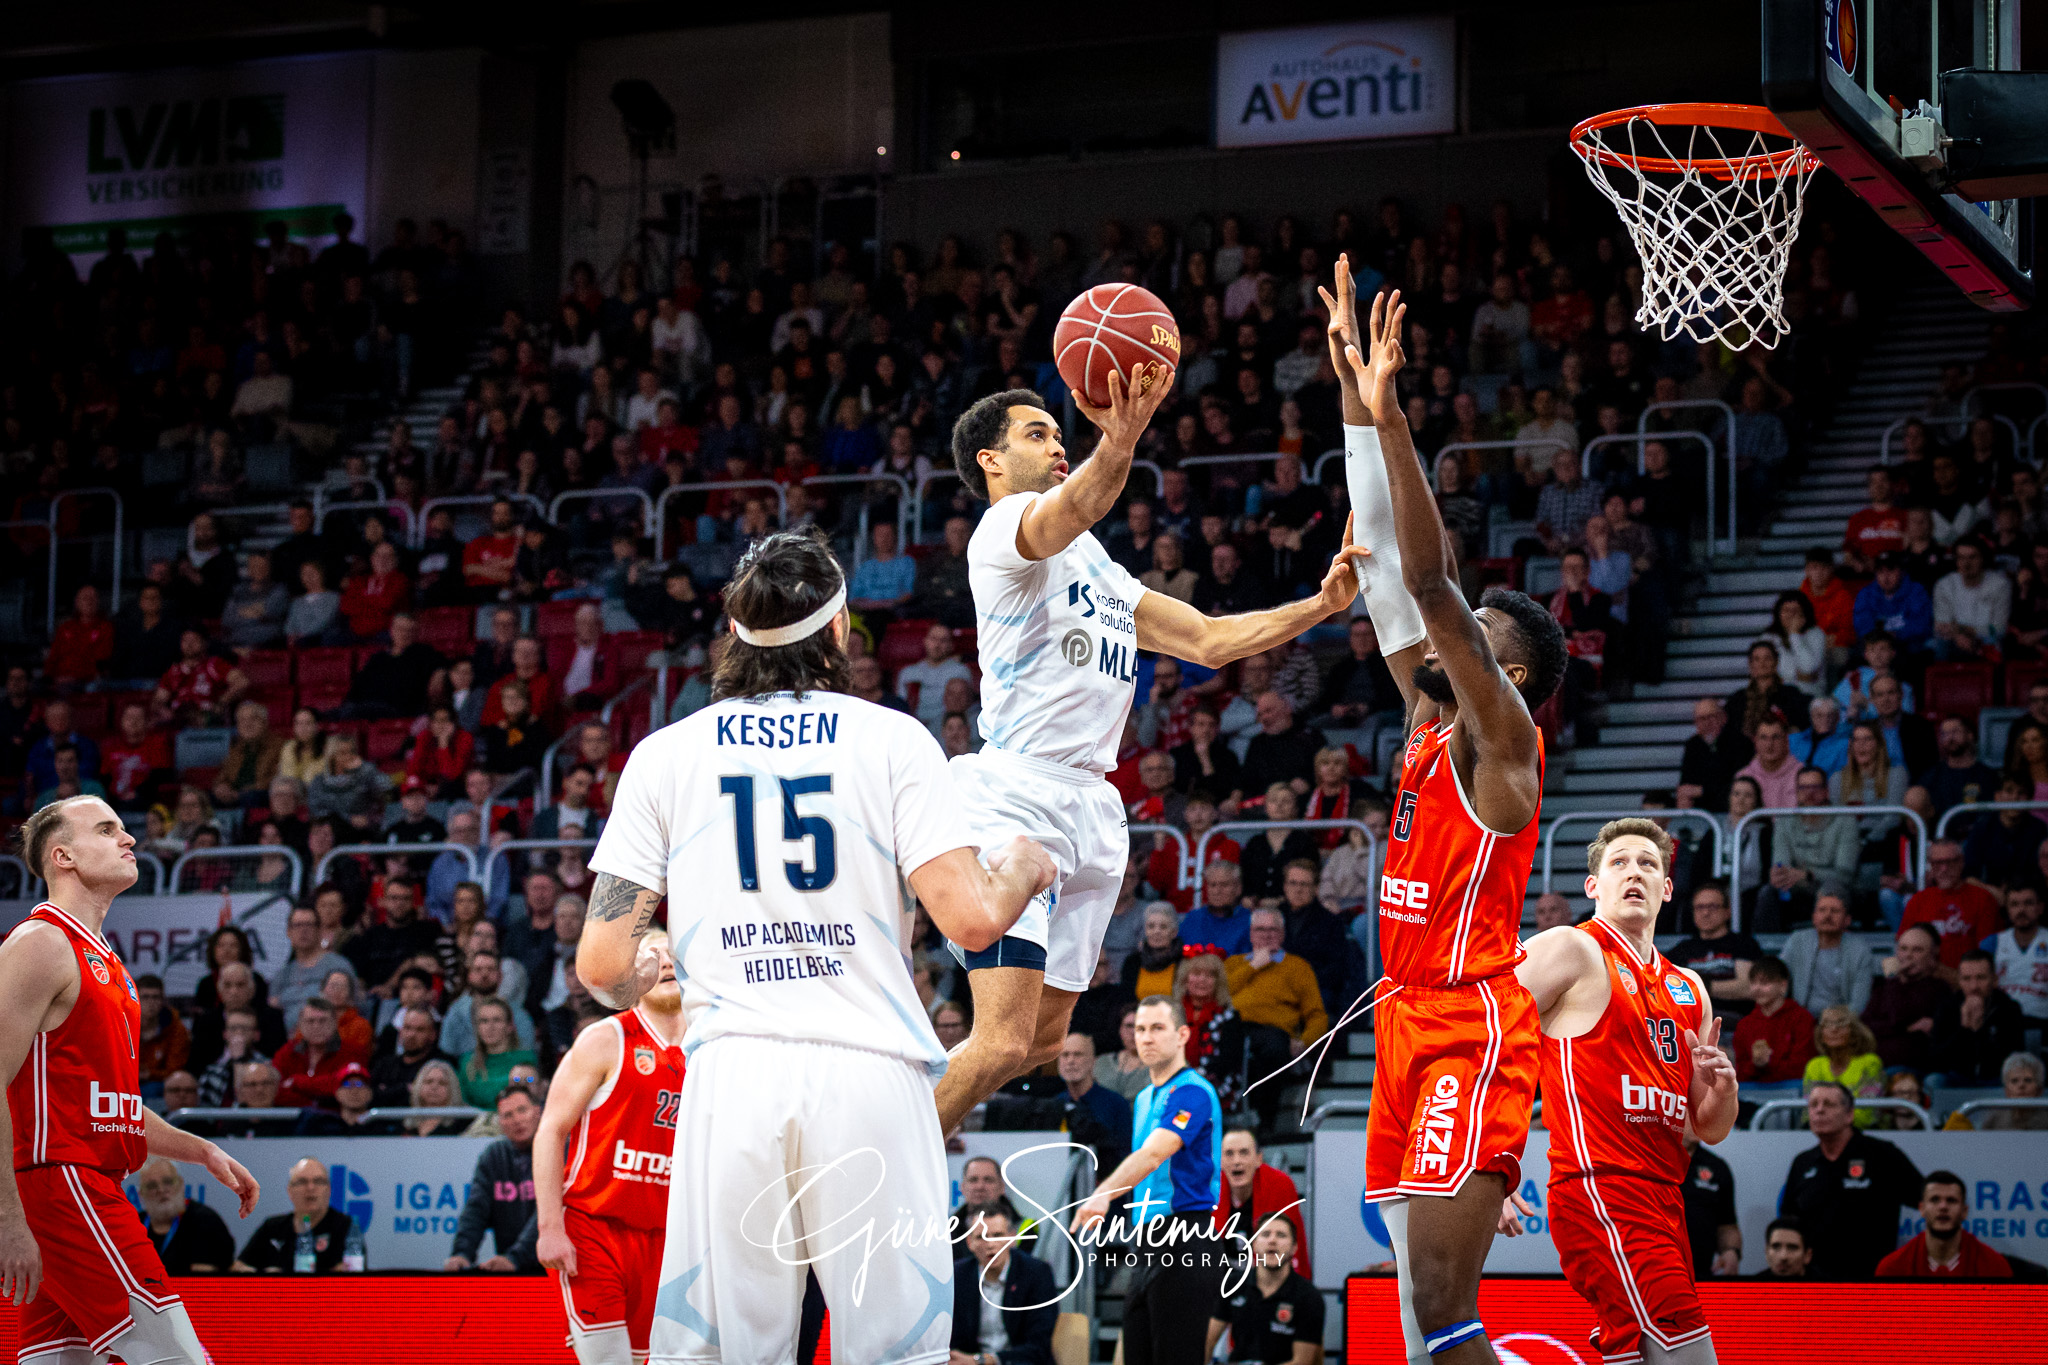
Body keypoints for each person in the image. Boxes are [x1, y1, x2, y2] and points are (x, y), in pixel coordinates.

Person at [576, 529, 1056, 1364]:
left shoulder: (664, 756)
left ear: (731, 628)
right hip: (868, 1075)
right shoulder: (892, 739)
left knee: (730, 1353)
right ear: (840, 632)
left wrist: (653, 963)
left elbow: (603, 966)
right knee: (893, 1348)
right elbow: (974, 922)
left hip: (732, 1078)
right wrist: (1023, 865)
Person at [933, 370, 1371, 1142]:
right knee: (999, 1037)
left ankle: (904, 1102)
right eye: (1037, 434)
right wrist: (1122, 437)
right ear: (992, 461)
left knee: (1039, 1044)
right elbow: (1081, 501)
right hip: (1016, 796)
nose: (1056, 442)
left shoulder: (1095, 562)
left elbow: (1205, 637)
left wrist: (1319, 606)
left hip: (1095, 807)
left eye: (1057, 433)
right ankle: (874, 1168)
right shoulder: (1002, 532)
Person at [1320, 273, 1568, 1365]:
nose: (1426, 651)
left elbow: (1424, 582)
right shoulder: (1425, 719)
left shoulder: (1495, 741)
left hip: (1471, 1024)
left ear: (1495, 670)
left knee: (1444, 1302)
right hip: (1401, 1016)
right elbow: (1382, 568)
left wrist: (1394, 416)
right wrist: (1346, 398)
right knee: (1422, 1315)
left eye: (1461, 645)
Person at [0, 796, 260, 1360]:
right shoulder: (40, 943)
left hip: (81, 1181)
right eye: (106, 828)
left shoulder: (106, 961)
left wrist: (199, 1149)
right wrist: (8, 1217)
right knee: (176, 1357)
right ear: (63, 856)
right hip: (63, 1182)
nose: (129, 839)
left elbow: (111, 1104)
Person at [1506, 818, 1737, 1365]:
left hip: (1665, 1196)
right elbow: (1486, 1039)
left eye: (1648, 864)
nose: (1634, 872)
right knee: (1688, 1354)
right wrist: (1490, 1161)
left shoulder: (1689, 987)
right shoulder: (1571, 947)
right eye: (1619, 863)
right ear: (1593, 886)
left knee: (1639, 1353)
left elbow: (1707, 1128)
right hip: (1600, 1189)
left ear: (1667, 888)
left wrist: (1723, 1090)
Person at [531, 929, 683, 1361]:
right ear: (628, 978)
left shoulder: (710, 1048)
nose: (665, 962)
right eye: (651, 956)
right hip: (594, 1228)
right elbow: (550, 1130)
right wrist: (549, 1228)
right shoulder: (605, 1039)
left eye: (673, 953)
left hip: (670, 1236)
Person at [1070, 995, 1225, 1365]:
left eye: (1158, 1028)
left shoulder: (1192, 1091)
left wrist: (1103, 1193)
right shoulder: (1142, 1099)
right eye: (1140, 1029)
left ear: (1183, 1034)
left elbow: (1155, 1154)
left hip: (1187, 1237)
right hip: (1146, 1240)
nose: (1147, 1038)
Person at [1776, 1082, 1922, 1279]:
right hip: (1814, 1281)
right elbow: (1789, 1222)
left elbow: (1925, 1201)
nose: (1819, 1110)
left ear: (1849, 1115)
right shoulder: (1802, 1162)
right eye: (1813, 1105)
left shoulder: (1883, 1155)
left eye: (1828, 1104)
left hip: (1872, 1278)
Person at [445, 1084, 543, 1273]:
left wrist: (515, 1258)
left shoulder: (560, 1151)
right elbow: (475, 1210)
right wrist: (462, 1253)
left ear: (537, 1112)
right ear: (500, 1122)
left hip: (554, 1269)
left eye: (522, 1110)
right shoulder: (494, 1156)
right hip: (509, 1271)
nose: (516, 1120)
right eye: (508, 1115)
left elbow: (548, 1214)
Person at [949, 1203, 1057, 1365]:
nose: (991, 1245)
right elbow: (953, 1340)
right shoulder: (958, 1276)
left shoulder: (1037, 1273)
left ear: (1012, 1238)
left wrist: (985, 1361)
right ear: (969, 1242)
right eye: (981, 1237)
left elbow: (1038, 1346)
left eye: (998, 1235)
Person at [1206, 1218, 1325, 1365]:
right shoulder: (1233, 1284)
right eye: (1265, 1234)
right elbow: (1208, 1341)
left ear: (1294, 1247)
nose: (1272, 1240)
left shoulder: (1309, 1296)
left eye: (1281, 1235)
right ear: (1254, 1245)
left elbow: (1302, 1361)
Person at [232, 1158, 363, 1273]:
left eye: (318, 1181)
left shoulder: (346, 1227)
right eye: (302, 1182)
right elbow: (239, 1266)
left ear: (329, 1190)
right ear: (290, 1191)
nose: (310, 1188)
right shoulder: (272, 1227)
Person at [1876, 1170, 2013, 1278]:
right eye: (1935, 1200)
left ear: (1964, 1211)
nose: (1943, 1207)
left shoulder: (1995, 1267)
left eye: (1951, 1200)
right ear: (1922, 1209)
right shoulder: (1892, 1268)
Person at [1215, 1127, 1311, 1278]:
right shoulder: (1209, 1190)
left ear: (1258, 1158)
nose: (1237, 1161)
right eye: (1229, 1154)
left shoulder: (1280, 1186)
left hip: (1268, 1282)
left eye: (1244, 1153)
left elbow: (1292, 1248)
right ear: (1219, 1160)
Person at [1864, 924, 1956, 1074]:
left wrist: (1893, 978)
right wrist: (1907, 1028)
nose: (1908, 956)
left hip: (1911, 1069)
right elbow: (1866, 1027)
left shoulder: (1938, 989)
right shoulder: (1883, 986)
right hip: (1876, 1066)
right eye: (1903, 949)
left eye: (1917, 950)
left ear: (1932, 956)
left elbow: (1898, 1016)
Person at [1899, 840, 2004, 969]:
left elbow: (1987, 954)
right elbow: (1901, 948)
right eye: (1937, 863)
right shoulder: (1918, 900)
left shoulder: (1982, 899)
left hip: (1967, 981)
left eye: (1950, 862)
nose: (1944, 869)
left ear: (1961, 862)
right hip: (1923, 981)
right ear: (1930, 865)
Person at [1932, 950, 2027, 1086]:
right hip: (1957, 1077)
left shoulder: (2009, 1008)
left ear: (1994, 980)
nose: (1974, 986)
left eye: (1981, 978)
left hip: (1995, 1078)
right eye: (1967, 979)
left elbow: (2013, 1059)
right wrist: (1965, 1029)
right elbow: (1936, 1059)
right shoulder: (1947, 1007)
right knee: (1934, 1080)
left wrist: (1980, 1030)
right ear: (1959, 981)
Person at [134, 1155, 236, 1274]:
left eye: (167, 1182)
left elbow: (202, 1284)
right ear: (141, 1194)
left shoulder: (204, 1221)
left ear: (181, 1184)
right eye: (151, 1186)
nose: (161, 1189)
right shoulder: (133, 1226)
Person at [1783, 891, 1880, 1017]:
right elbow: (1779, 979)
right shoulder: (1797, 941)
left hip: (1841, 1023)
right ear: (1814, 917)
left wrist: (1836, 1024)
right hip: (1800, 1021)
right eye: (1822, 910)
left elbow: (1859, 1003)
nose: (1828, 915)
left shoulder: (1860, 951)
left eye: (1835, 911)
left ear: (1847, 920)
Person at [1734, 957, 1815, 1084]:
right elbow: (1739, 1071)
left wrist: (1768, 1063)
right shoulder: (1744, 1025)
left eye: (1764, 983)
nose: (1757, 988)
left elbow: (1803, 1067)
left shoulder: (1802, 1018)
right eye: (1753, 983)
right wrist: (1756, 1065)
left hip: (1792, 1092)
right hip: (1750, 1093)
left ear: (1783, 985)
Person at [1985, 879, 2048, 1024]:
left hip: (2043, 1022)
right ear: (2007, 909)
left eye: (2028, 903)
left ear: (2041, 907)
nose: (2021, 910)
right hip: (2002, 1023)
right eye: (2014, 904)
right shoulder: (1992, 943)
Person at [1678, 1137, 1741, 1279]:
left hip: (1699, 1273)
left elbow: (1727, 1226)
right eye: (1693, 1115)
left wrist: (1731, 1251)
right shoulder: (1649, 1158)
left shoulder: (1717, 1167)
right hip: (1652, 1271)